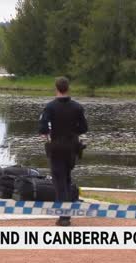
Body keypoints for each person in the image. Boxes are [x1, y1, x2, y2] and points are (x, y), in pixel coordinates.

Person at [39, 77, 88, 226]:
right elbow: (84, 128)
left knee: (59, 181)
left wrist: (48, 135)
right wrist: (73, 132)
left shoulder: (50, 107)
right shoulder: (77, 107)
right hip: (72, 147)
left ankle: (64, 216)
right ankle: (66, 211)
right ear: (68, 88)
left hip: (56, 147)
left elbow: (42, 128)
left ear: (56, 89)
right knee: (66, 178)